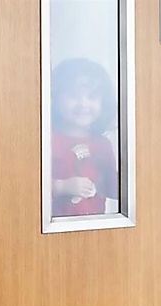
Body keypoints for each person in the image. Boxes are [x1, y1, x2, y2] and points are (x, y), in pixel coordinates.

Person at [50, 58, 118, 217]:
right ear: (56, 98)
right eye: (73, 96)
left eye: (92, 97)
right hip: (53, 227)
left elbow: (114, 188)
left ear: (103, 103)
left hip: (95, 225)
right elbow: (28, 184)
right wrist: (61, 187)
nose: (83, 104)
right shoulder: (47, 139)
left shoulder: (103, 144)